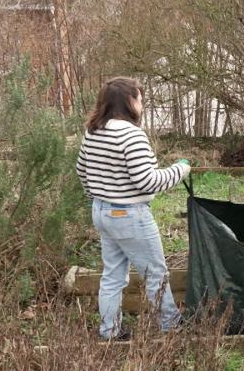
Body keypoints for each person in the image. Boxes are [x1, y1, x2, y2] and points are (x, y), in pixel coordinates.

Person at [75, 77, 191, 341]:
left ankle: (109, 331)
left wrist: (100, 195)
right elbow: (147, 181)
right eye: (139, 98)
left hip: (102, 212)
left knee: (113, 275)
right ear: (128, 102)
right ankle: (171, 327)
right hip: (129, 215)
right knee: (156, 274)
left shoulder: (93, 130)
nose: (142, 103)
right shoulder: (131, 134)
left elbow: (82, 171)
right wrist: (181, 169)